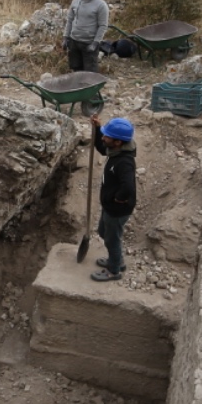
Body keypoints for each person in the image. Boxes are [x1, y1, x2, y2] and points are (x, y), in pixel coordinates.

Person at [89, 115, 136, 282]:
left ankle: (114, 270)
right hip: (110, 206)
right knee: (103, 232)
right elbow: (102, 148)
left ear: (117, 142)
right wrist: (97, 128)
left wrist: (119, 199)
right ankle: (117, 260)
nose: (103, 138)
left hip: (117, 210)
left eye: (106, 136)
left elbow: (128, 187)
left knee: (112, 239)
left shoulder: (124, 162)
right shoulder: (116, 150)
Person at [63, 0, 109, 74]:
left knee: (90, 73)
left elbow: (102, 26)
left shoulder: (101, 5)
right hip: (74, 42)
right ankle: (78, 89)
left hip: (89, 44)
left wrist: (95, 43)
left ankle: (91, 90)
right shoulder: (75, 2)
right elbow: (69, 20)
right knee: (76, 69)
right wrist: (66, 37)